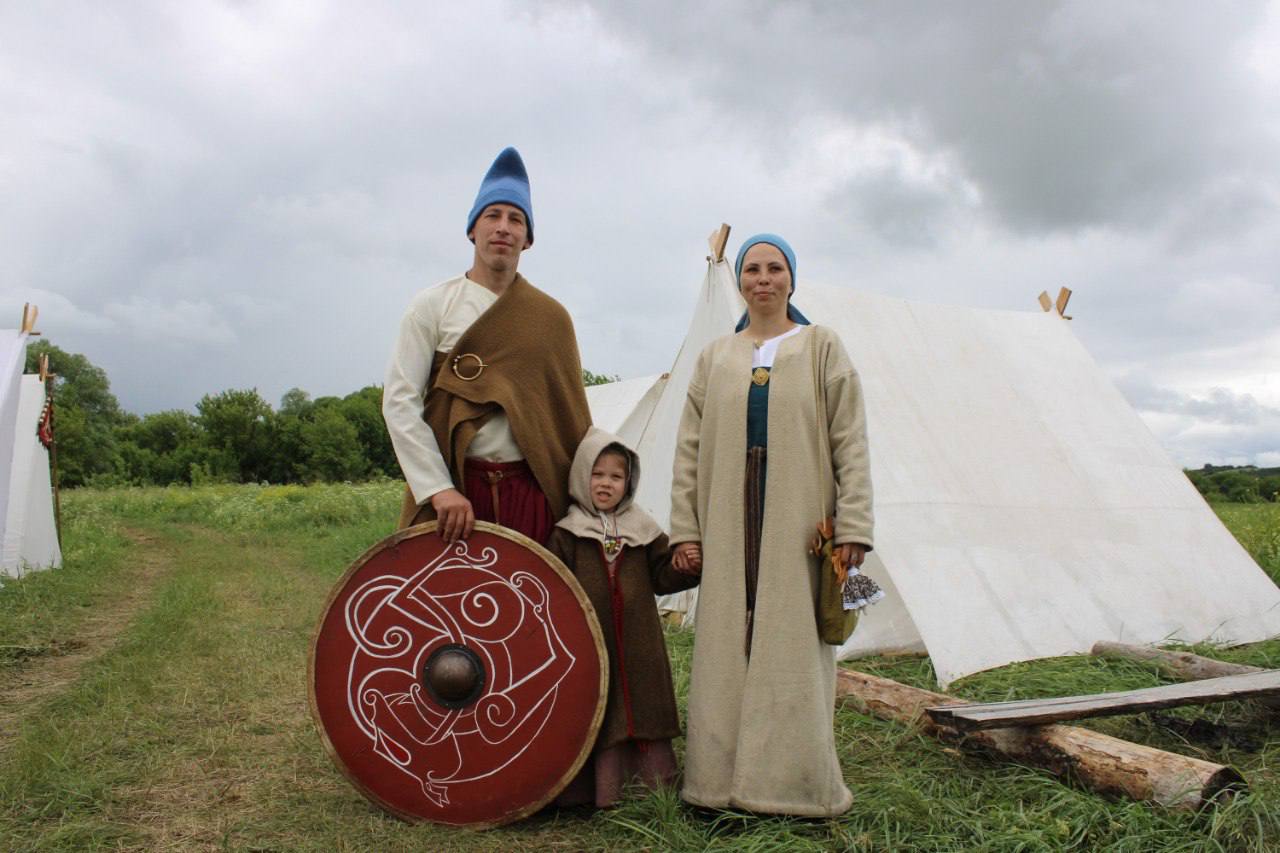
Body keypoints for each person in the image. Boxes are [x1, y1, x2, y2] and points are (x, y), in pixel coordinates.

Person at [668, 233, 877, 817]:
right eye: (752, 269)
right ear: (740, 282)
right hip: (727, 522)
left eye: (775, 268)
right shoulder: (716, 356)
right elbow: (688, 451)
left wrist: (854, 524)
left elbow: (850, 440)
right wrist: (686, 530)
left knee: (793, 646)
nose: (763, 278)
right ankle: (714, 786)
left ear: (791, 279)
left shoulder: (821, 346)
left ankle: (795, 788)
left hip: (798, 522)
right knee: (724, 646)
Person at [382, 147, 592, 545]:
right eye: (492, 215)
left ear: (527, 239)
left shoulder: (552, 318)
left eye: (516, 219)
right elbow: (399, 402)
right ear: (472, 230)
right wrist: (438, 489)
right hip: (454, 493)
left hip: (532, 497)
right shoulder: (432, 306)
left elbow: (572, 422)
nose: (503, 228)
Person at [547, 426, 701, 808]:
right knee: (597, 707)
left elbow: (662, 577)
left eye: (616, 477)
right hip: (590, 643)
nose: (606, 483)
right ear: (582, 477)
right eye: (597, 474)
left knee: (643, 707)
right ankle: (595, 792)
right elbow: (554, 588)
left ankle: (650, 788)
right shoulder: (567, 534)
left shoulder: (643, 529)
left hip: (638, 642)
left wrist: (683, 567)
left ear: (628, 483)